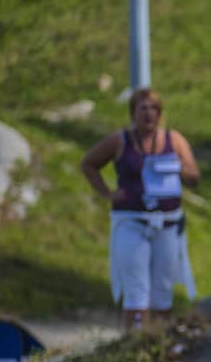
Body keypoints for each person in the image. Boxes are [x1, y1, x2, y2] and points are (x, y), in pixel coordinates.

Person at [79, 87, 200, 331]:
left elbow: (194, 176)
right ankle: (135, 342)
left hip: (166, 222)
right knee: (136, 286)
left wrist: (176, 168)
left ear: (160, 113)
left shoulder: (173, 140)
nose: (148, 114)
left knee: (163, 286)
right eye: (142, 108)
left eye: (153, 108)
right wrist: (107, 193)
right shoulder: (120, 141)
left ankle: (160, 341)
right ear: (133, 113)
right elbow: (89, 164)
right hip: (132, 221)